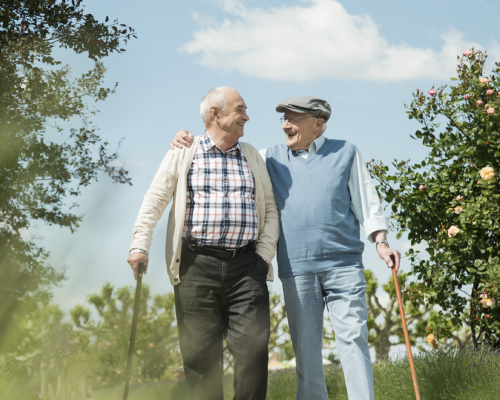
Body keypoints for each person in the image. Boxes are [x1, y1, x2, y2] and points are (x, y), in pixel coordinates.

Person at [171, 95, 401, 400]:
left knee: (354, 340)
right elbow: (226, 148)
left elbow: (367, 202)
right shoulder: (268, 157)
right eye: (284, 119)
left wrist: (381, 242)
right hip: (296, 268)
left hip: (344, 266)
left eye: (293, 119)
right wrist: (186, 139)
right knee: (306, 353)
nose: (286, 125)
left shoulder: (346, 152)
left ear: (318, 125)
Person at [128, 86, 279, 400]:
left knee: (253, 350)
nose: (247, 117)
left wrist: (263, 256)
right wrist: (139, 245)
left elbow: (271, 209)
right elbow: (154, 200)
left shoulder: (251, 155)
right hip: (195, 267)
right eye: (240, 110)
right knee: (200, 359)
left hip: (246, 268)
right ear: (216, 114)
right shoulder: (184, 151)